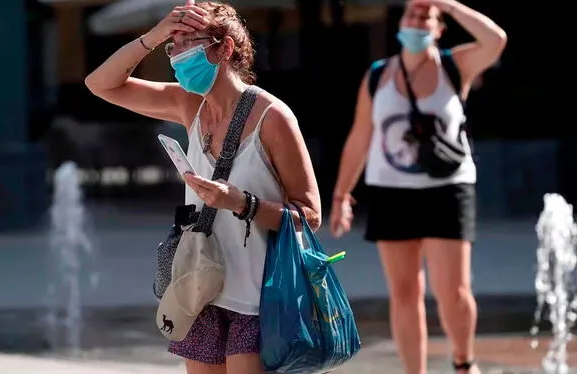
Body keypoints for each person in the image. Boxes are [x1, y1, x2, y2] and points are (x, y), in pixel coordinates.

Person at [84, 1, 321, 373]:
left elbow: (309, 216)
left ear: (224, 49)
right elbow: (99, 84)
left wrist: (242, 203)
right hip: (199, 289)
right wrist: (154, 35)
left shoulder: (273, 117)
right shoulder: (187, 104)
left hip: (259, 297)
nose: (177, 55)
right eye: (172, 45)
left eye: (187, 43)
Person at [329, 1, 506, 373]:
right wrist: (342, 195)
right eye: (411, 14)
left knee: (452, 292)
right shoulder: (378, 75)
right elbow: (360, 137)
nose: (416, 20)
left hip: (448, 190)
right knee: (404, 292)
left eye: (426, 16)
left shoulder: (454, 66)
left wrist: (450, 5)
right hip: (391, 192)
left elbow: (496, 39)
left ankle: (463, 361)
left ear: (439, 28)